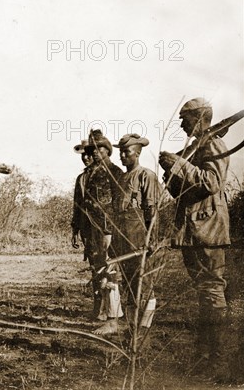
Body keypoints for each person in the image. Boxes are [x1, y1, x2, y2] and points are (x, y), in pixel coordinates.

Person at [159, 98, 231, 382]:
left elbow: (212, 183)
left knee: (212, 295)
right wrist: (172, 170)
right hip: (195, 232)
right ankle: (205, 358)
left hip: (208, 232)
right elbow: (181, 191)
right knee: (205, 296)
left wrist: (177, 164)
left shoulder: (213, 145)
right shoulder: (196, 148)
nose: (180, 123)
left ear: (199, 117)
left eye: (184, 118)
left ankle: (220, 362)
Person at [108, 134, 161, 338]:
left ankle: (143, 334)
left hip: (140, 241)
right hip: (123, 240)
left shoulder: (146, 176)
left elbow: (152, 211)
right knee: (129, 288)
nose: (122, 156)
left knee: (144, 288)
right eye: (120, 152)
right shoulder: (121, 178)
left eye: (127, 152)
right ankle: (132, 333)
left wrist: (151, 239)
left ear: (137, 153)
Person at [82, 130, 125, 334]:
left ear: (107, 150)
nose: (95, 152)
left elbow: (117, 204)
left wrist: (110, 230)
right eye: (92, 149)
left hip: (109, 229)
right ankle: (106, 314)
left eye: (99, 148)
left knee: (110, 272)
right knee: (100, 271)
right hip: (95, 230)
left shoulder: (114, 172)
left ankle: (113, 319)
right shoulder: (93, 172)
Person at [70, 139, 96, 316]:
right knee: (94, 266)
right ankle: (98, 306)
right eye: (83, 155)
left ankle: (111, 311)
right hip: (87, 229)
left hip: (103, 229)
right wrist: (75, 229)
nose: (86, 158)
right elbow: (77, 205)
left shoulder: (105, 175)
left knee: (107, 268)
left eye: (89, 154)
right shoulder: (81, 178)